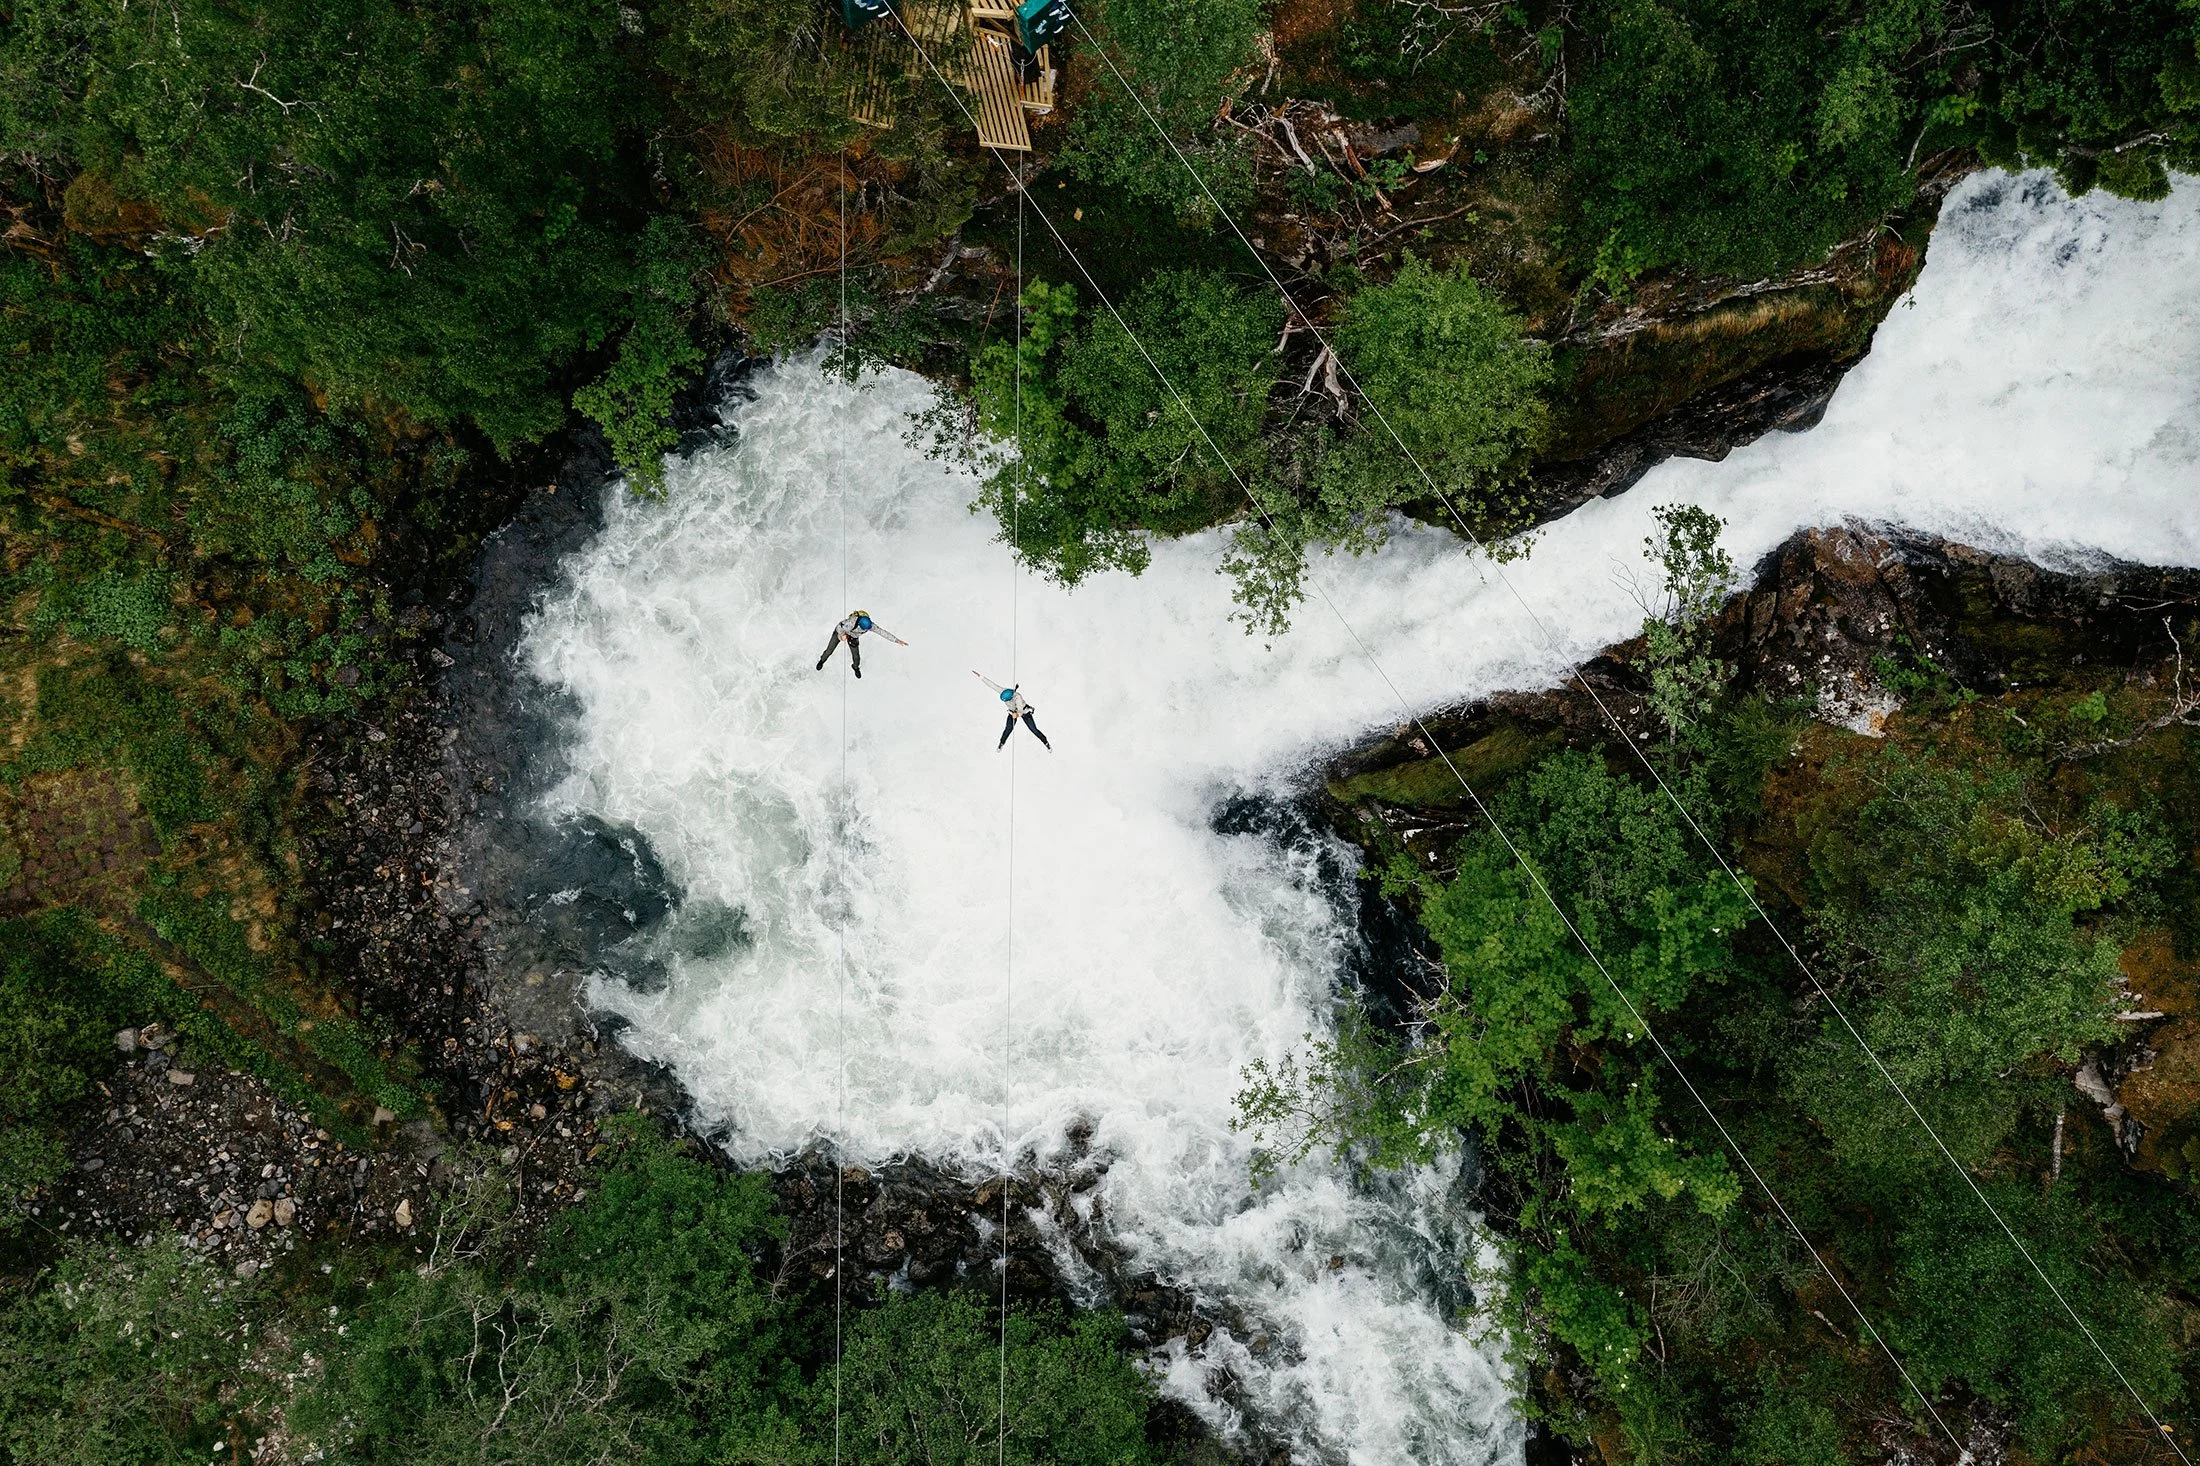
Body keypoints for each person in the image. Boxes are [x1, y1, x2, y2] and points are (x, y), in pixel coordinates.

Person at [815, 611, 907, 678]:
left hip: (853, 636)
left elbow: (882, 632)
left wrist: (897, 640)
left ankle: (855, 667)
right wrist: (841, 636)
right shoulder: (851, 623)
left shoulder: (870, 625)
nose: (866, 631)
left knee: (856, 657)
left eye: (867, 629)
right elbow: (840, 627)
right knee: (829, 650)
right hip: (841, 632)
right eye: (865, 629)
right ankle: (822, 661)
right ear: (859, 625)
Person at [975, 672, 1052, 750]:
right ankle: (1002, 742)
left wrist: (1017, 714)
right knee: (1009, 728)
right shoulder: (1003, 691)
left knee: (1033, 729)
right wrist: (980, 677)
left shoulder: (1018, 697)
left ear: (1011, 697)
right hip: (1012, 712)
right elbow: (993, 685)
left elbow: (1020, 710)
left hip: (1024, 712)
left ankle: (1045, 742)